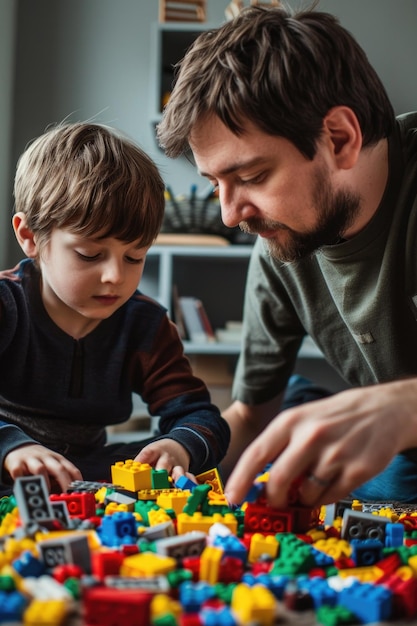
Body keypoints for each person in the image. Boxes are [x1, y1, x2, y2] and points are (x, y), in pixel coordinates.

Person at [157, 5, 417, 507]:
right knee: (287, 430)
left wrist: (403, 408)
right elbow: (251, 416)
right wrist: (184, 452)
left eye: (251, 177)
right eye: (216, 185)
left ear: (339, 138)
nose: (230, 216)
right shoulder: (279, 243)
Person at [0, 122, 230, 496]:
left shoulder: (145, 325)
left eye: (134, 256)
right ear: (30, 237)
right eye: (90, 254)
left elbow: (200, 416)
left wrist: (178, 446)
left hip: (84, 472)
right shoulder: (7, 306)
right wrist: (13, 448)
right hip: (6, 466)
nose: (115, 276)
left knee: (150, 463)